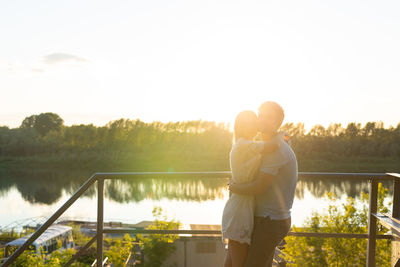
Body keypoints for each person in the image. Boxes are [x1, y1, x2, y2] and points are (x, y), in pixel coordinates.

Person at [229, 101, 298, 267]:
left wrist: (234, 187)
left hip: (270, 221)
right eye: (260, 115)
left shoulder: (276, 151)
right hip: (259, 217)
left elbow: (260, 187)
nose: (262, 120)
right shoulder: (264, 146)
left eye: (268, 117)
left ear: (277, 123)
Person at [222, 110, 284, 267]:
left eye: (254, 122)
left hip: (241, 208)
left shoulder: (247, 145)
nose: (254, 126)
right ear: (240, 127)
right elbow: (273, 146)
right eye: (248, 123)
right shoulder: (244, 145)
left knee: (231, 262)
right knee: (239, 264)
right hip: (239, 211)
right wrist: (281, 134)